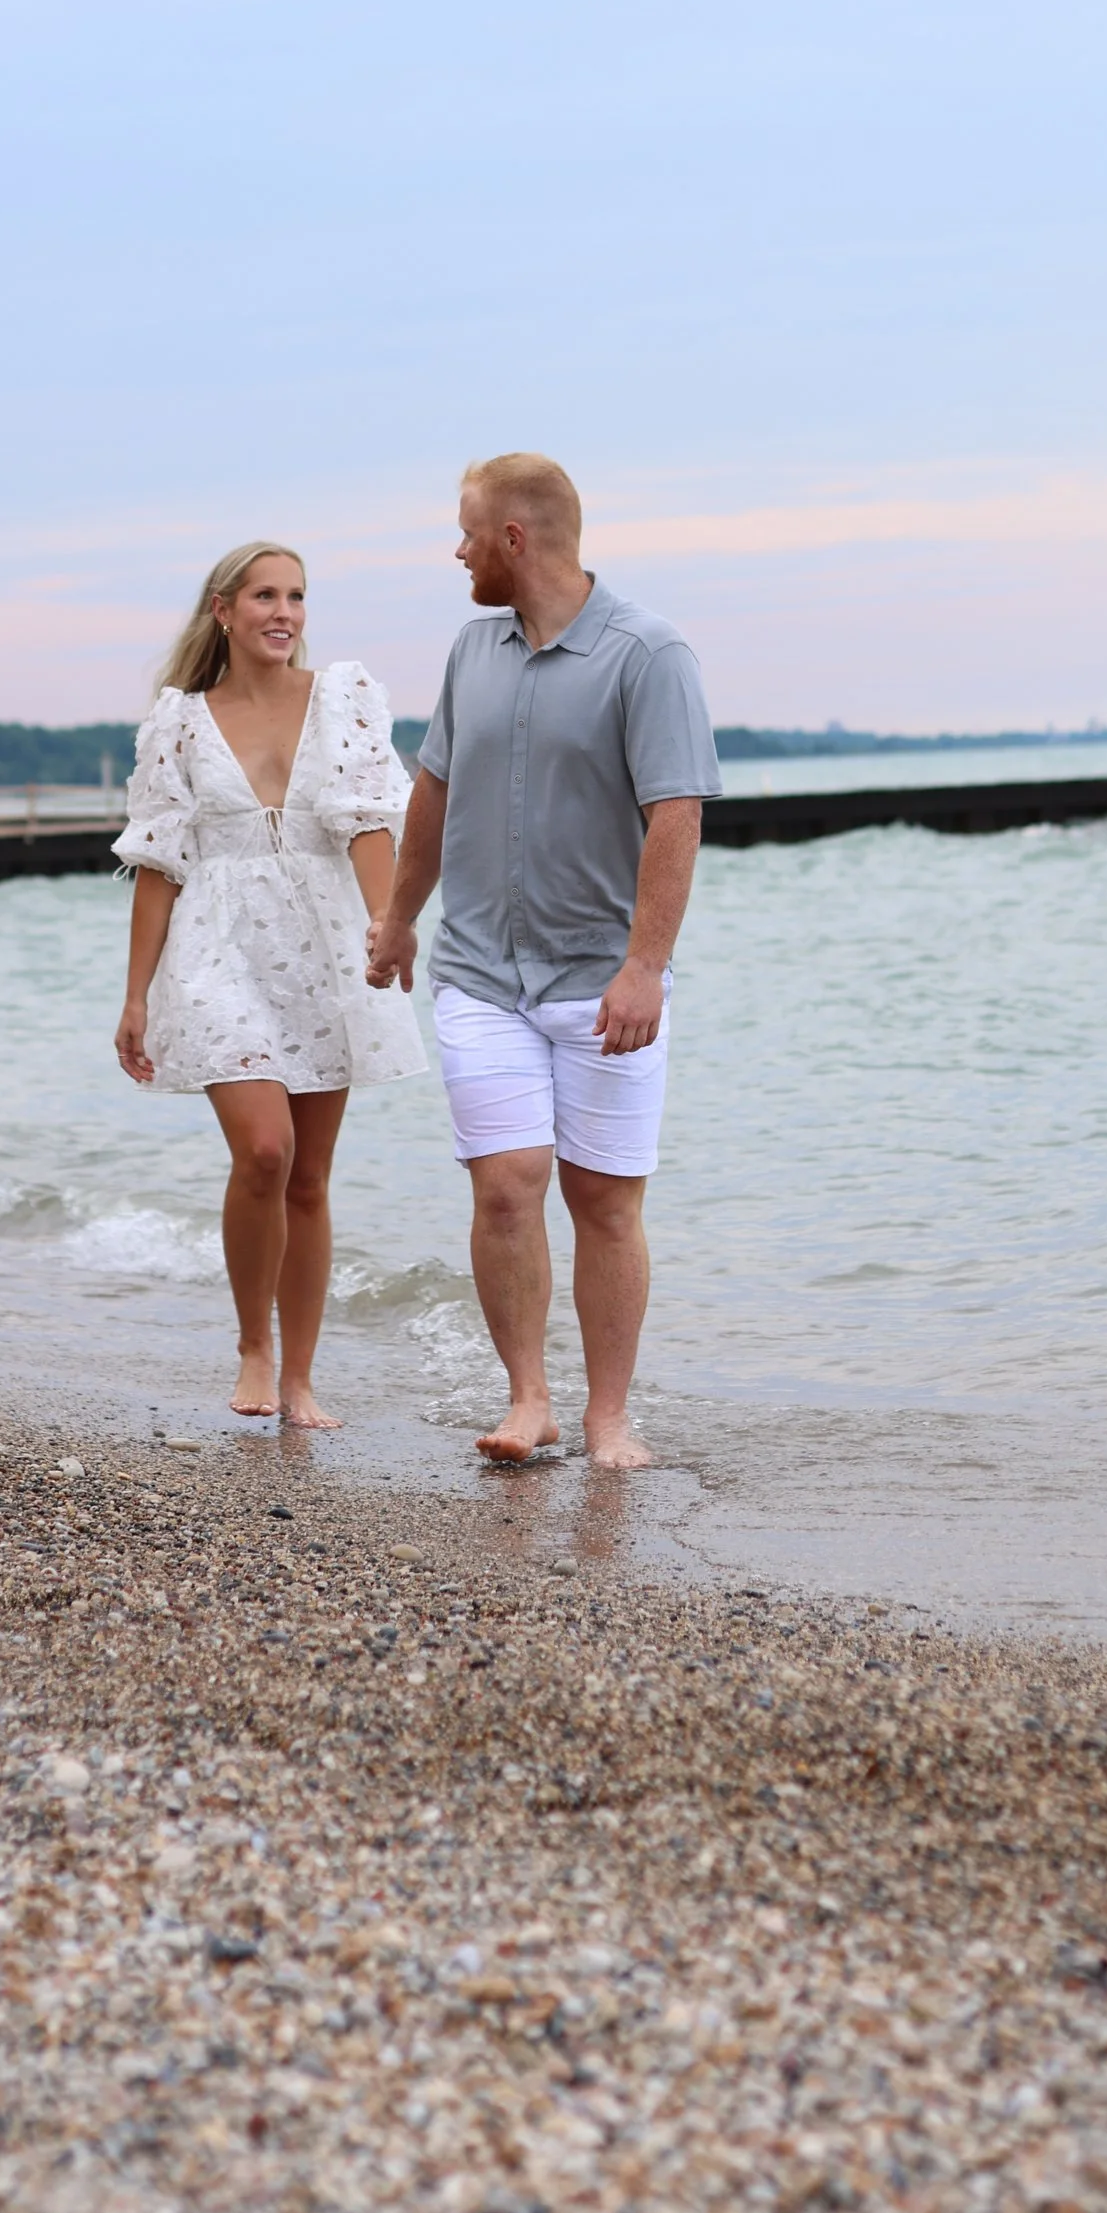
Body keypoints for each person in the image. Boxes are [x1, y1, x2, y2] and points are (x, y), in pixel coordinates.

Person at [364, 454, 718, 1468]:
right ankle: (529, 1402)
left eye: (467, 531)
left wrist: (645, 965)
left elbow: (675, 815)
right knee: (508, 1187)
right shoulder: (471, 651)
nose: (459, 550)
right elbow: (431, 793)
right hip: (480, 976)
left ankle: (610, 1417)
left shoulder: (649, 655)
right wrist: (397, 918)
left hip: (601, 980)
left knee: (604, 1199)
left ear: (513, 538)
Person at [114, 539, 423, 1429]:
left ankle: (300, 1378)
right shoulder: (178, 723)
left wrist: (384, 922)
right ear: (224, 610)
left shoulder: (345, 700)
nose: (283, 612)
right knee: (263, 1152)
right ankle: (254, 1345)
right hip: (217, 947)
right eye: (263, 596)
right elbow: (159, 864)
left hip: (326, 946)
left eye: (295, 596)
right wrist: (136, 996)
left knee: (310, 1178)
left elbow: (370, 823)